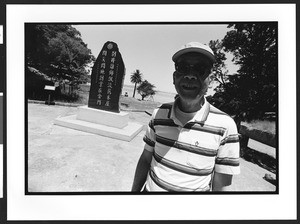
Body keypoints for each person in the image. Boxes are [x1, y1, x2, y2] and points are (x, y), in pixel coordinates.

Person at [131, 42, 240, 192]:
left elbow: (221, 185)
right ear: (174, 77)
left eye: (200, 69)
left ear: (211, 79)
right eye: (183, 68)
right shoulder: (159, 114)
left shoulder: (226, 126)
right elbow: (145, 159)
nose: (190, 75)